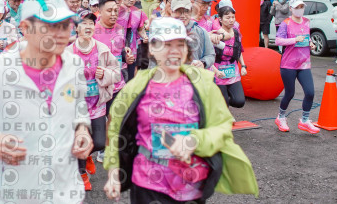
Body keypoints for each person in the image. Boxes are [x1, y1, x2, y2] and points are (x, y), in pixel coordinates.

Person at [0, 0, 93, 204]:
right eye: (49, 27)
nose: (61, 34)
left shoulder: (73, 64)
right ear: (25, 28)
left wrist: (82, 129)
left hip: (65, 193)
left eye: (64, 25)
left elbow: (79, 104)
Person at [103, 17, 258, 203]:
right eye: (167, 45)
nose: (174, 51)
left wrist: (194, 141)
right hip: (147, 185)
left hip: (190, 186)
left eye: (180, 44)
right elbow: (115, 130)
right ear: (152, 48)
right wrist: (114, 171)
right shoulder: (135, 87)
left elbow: (222, 127)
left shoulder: (203, 84)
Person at [65, 10, 121, 191]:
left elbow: (117, 73)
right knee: (81, 140)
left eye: (91, 23)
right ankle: (81, 174)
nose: (88, 27)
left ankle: (87, 155)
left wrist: (105, 74)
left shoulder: (102, 49)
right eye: (84, 23)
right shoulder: (68, 52)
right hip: (77, 106)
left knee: (99, 142)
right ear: (76, 28)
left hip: (97, 104)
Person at [274, 0, 319, 134]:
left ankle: (304, 120)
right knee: (290, 93)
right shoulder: (286, 23)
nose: (300, 10)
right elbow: (278, 41)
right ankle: (281, 117)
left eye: (302, 7)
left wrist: (310, 43)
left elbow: (306, 37)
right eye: (297, 7)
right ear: (291, 9)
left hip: (304, 63)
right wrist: (294, 40)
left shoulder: (306, 21)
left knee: (310, 92)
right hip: (288, 64)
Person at [93, 0, 129, 163]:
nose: (114, 14)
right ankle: (96, 149)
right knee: (98, 124)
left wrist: (127, 55)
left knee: (115, 117)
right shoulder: (93, 31)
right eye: (109, 11)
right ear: (99, 11)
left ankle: (107, 149)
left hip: (117, 82)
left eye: (116, 10)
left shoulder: (120, 28)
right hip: (98, 85)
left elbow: (121, 51)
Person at [212, 6, 247, 109]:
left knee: (239, 101)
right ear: (220, 19)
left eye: (233, 17)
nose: (231, 20)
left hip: (232, 71)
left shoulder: (236, 33)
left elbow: (238, 50)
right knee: (224, 103)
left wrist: (243, 66)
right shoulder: (216, 35)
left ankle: (222, 104)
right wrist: (216, 71)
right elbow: (209, 55)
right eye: (228, 18)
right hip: (217, 71)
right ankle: (222, 107)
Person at [170, 0, 215, 69]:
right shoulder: (164, 33)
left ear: (191, 11)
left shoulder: (201, 32)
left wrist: (203, 63)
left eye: (186, 11)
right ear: (171, 12)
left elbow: (210, 55)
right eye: (178, 11)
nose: (183, 15)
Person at [118, 0, 148, 80]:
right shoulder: (116, 10)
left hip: (132, 51)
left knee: (131, 78)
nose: (132, 0)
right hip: (117, 50)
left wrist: (144, 36)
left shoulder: (138, 12)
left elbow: (140, 29)